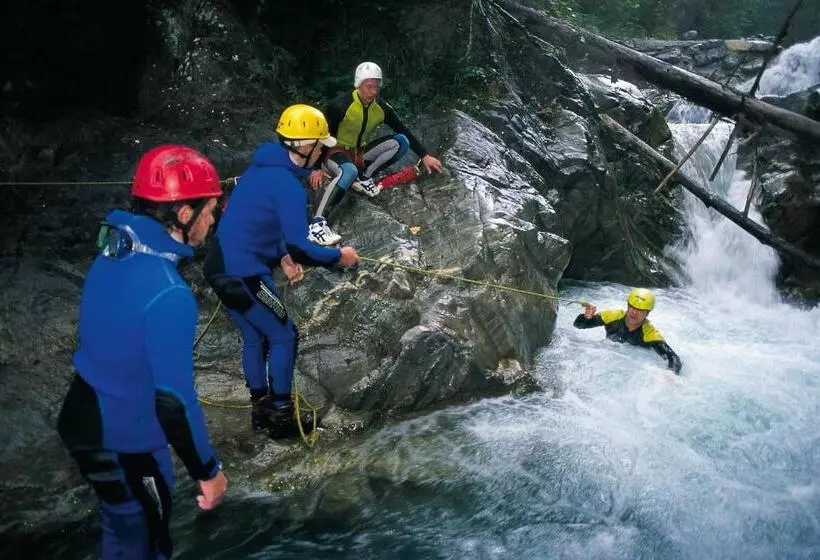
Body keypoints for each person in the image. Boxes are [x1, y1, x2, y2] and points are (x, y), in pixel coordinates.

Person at [57, 145, 229, 559]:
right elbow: (173, 401)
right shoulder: (170, 294)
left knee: (121, 533)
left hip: (84, 413)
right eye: (209, 209)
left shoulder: (115, 249)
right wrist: (208, 472)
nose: (213, 218)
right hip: (124, 439)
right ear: (183, 214)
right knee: (148, 546)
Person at [204, 103, 360, 438]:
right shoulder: (287, 185)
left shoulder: (259, 171)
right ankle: (281, 415)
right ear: (303, 147)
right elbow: (302, 244)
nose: (323, 151)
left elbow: (259, 224)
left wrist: (283, 258)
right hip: (244, 272)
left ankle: (262, 411)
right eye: (320, 145)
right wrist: (338, 257)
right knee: (284, 335)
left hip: (219, 265)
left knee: (255, 336)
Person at [307, 61, 445, 246]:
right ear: (359, 84)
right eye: (369, 86)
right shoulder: (340, 105)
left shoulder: (380, 107)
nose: (373, 91)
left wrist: (424, 155)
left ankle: (363, 178)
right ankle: (317, 225)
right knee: (349, 171)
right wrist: (316, 168)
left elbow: (402, 129)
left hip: (358, 154)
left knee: (400, 142)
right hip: (334, 154)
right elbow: (322, 135)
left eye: (376, 87)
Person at [573, 288, 682, 374]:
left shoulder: (649, 334)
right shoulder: (612, 316)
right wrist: (586, 317)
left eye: (640, 311)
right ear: (628, 306)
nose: (634, 313)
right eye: (632, 307)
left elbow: (674, 359)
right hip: (608, 358)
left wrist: (670, 375)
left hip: (635, 366)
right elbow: (578, 325)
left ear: (647, 314)